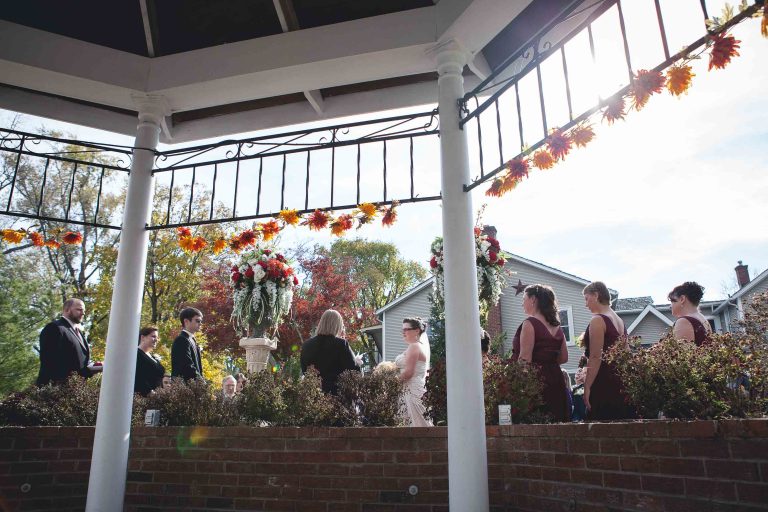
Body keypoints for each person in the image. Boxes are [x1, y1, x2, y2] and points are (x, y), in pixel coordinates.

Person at [511, 285, 569, 422]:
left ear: (533, 299)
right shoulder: (558, 327)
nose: (522, 303)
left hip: (536, 382)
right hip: (556, 380)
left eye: (524, 299)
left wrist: (518, 388)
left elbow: (524, 360)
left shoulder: (530, 323)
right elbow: (564, 358)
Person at [582, 281, 635, 421]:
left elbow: (595, 356)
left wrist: (587, 387)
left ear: (596, 295)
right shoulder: (619, 321)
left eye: (586, 299)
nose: (585, 304)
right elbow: (627, 354)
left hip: (603, 382)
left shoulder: (598, 320)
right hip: (620, 381)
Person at [37, 298, 102, 386]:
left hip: (75, 389)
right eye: (79, 309)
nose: (83, 313)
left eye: (84, 310)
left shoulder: (78, 332)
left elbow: (79, 360)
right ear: (67, 310)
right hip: (57, 389)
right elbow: (50, 362)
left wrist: (93, 367)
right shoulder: (54, 328)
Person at [300, 309, 360, 395]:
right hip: (337, 397)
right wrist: (356, 361)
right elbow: (353, 372)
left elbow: (304, 371)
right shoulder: (341, 344)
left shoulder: (306, 345)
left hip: (313, 397)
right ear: (337, 325)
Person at [395, 317, 433, 427]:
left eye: (406, 329)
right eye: (402, 330)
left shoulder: (414, 346)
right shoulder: (415, 346)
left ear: (417, 330)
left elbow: (408, 373)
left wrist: (390, 382)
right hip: (411, 388)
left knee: (417, 424)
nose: (403, 332)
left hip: (412, 390)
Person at [669, 281, 712, 346]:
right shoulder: (703, 319)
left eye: (672, 301)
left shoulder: (683, 321)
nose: (670, 306)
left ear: (682, 299)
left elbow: (682, 354)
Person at [171, 307, 204, 380]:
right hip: (183, 387)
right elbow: (187, 366)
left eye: (201, 321)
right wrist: (201, 382)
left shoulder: (191, 339)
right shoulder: (181, 340)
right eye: (197, 321)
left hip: (192, 387)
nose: (200, 324)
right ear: (186, 321)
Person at [134, 326, 165, 396]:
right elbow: (138, 377)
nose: (156, 339)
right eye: (153, 336)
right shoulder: (136, 354)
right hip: (145, 399)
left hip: (158, 398)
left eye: (157, 337)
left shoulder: (152, 356)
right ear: (142, 337)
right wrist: (151, 393)